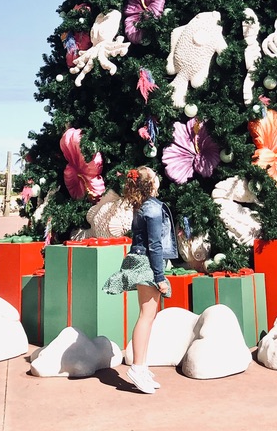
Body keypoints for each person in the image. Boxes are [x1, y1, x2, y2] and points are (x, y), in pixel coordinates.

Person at [102, 166, 176, 394]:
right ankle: (137, 367)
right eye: (155, 176)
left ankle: (142, 366)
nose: (158, 177)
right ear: (149, 184)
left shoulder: (143, 205)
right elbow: (154, 245)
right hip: (147, 263)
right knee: (146, 316)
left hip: (142, 259)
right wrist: (160, 277)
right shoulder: (153, 208)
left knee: (148, 316)